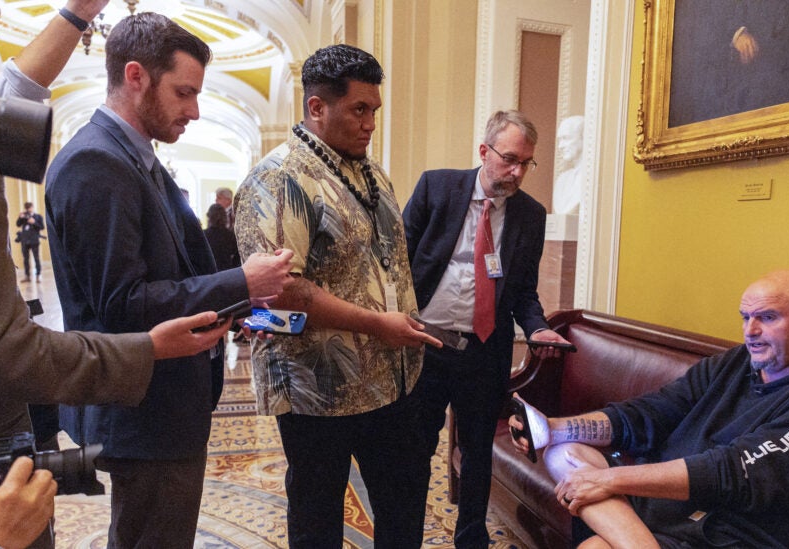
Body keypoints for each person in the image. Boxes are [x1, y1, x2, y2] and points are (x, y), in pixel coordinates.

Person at [0, 0, 236, 546]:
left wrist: (76, 13)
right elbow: (0, 351)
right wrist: (235, 289)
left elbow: (14, 90)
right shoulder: (88, 159)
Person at [44, 13, 294, 547]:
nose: (195, 111)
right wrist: (242, 284)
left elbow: (177, 274)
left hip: (162, 410)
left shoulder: (136, 158)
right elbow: (124, 305)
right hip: (144, 414)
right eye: (184, 92)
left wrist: (256, 310)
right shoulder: (95, 161)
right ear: (135, 76)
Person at [509, 270, 789, 548]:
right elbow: (652, 412)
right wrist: (554, 427)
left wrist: (609, 480)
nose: (750, 330)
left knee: (595, 547)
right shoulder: (736, 363)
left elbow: (733, 470)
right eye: (745, 317)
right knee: (566, 452)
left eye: (768, 317)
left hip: (734, 531)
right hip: (673, 511)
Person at [234, 43, 440, 547]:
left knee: (403, 504)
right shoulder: (279, 178)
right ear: (317, 108)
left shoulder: (371, 173)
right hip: (317, 392)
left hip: (390, 381)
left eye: (374, 111)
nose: (370, 123)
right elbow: (280, 289)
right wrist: (377, 324)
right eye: (359, 110)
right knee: (317, 518)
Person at [402, 109, 572, 547]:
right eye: (510, 159)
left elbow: (524, 292)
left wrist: (538, 329)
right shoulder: (436, 187)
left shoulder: (530, 215)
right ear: (484, 151)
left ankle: (471, 538)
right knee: (414, 451)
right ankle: (405, 536)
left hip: (484, 353)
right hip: (426, 343)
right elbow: (395, 263)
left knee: (479, 451)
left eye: (526, 164)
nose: (517, 172)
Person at [552, 115, 584, 216]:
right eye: (560, 140)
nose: (560, 146)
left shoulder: (594, 179)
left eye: (566, 138)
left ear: (583, 138)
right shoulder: (562, 180)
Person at [203, 203, 240, 271]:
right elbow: (237, 258)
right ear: (225, 217)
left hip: (208, 272)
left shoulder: (203, 235)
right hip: (226, 273)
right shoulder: (230, 236)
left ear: (209, 217)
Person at [15, 201, 44, 282]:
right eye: (27, 208)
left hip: (34, 240)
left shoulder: (38, 217)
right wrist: (20, 217)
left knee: (36, 258)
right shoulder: (24, 217)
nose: (28, 210)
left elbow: (41, 227)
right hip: (25, 240)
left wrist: (34, 222)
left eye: (30, 207)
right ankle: (27, 276)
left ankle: (38, 275)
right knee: (25, 259)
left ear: (32, 207)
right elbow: (18, 224)